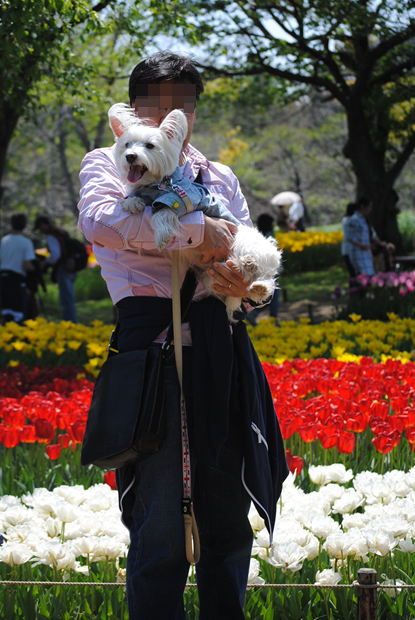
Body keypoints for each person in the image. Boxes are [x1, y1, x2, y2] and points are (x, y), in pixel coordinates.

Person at [78, 52, 288, 620]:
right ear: (134, 106)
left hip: (223, 350)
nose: (172, 113)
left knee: (227, 520)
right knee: (161, 528)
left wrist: (243, 280)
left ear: (194, 108)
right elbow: (102, 222)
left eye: (183, 103)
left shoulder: (218, 176)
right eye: (157, 102)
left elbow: (249, 252)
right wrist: (202, 232)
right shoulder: (110, 161)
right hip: (152, 357)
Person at [33, 216, 77, 323]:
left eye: (39, 227)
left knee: (66, 299)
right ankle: (72, 322)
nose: (40, 230)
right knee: (70, 298)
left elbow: (55, 255)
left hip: (63, 268)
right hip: (71, 267)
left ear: (43, 224)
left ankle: (69, 324)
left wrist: (45, 263)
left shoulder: (51, 236)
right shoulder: (61, 232)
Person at [245, 213, 281, 326]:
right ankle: (272, 319)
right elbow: (274, 253)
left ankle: (256, 314)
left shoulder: (256, 235)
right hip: (271, 270)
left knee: (266, 294)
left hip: (259, 269)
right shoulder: (270, 235)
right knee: (273, 295)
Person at [0, 214, 35, 323]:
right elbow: (27, 265)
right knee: (18, 312)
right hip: (16, 279)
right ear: (24, 225)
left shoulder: (4, 241)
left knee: (6, 310)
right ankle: (18, 337)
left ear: (12, 225)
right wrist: (36, 270)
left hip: (3, 278)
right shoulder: (26, 242)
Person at [349, 196, 395, 276]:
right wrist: (362, 245)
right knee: (362, 277)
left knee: (370, 276)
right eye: (369, 207)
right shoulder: (354, 220)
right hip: (358, 254)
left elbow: (373, 235)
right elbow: (351, 237)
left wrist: (381, 243)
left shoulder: (365, 220)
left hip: (366, 254)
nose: (370, 209)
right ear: (362, 206)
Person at [341, 202, 357, 278]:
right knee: (354, 272)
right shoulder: (352, 220)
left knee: (352, 272)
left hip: (345, 249)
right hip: (350, 249)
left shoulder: (345, 219)